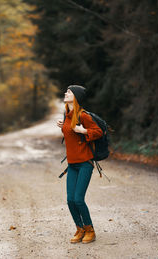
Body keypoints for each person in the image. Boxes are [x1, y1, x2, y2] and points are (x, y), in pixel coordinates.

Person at [56, 85, 103, 244]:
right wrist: (63, 125)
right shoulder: (67, 115)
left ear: (76, 96)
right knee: (70, 200)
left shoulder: (83, 116)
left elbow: (98, 131)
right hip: (72, 165)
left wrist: (83, 131)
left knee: (78, 199)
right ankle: (79, 228)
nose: (65, 93)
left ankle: (90, 230)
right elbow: (70, 133)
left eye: (69, 92)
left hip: (85, 164)